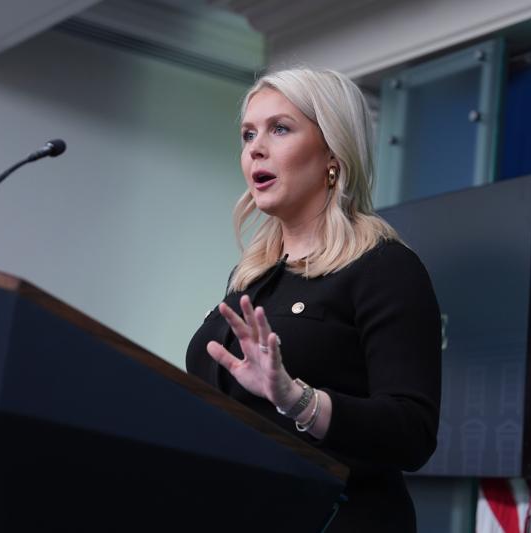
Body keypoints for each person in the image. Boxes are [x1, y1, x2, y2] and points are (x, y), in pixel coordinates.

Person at [185, 68, 441, 532]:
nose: (255, 148)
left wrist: (297, 399)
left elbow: (412, 433)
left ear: (332, 154)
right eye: (248, 134)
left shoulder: (384, 267)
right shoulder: (250, 278)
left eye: (280, 129)